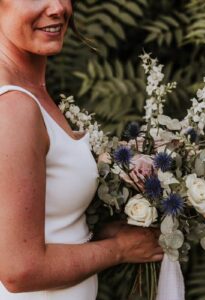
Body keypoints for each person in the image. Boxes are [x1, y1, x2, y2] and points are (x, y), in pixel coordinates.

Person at [0, 1, 163, 299]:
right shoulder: (13, 107)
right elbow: (19, 269)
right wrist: (119, 250)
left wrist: (104, 234)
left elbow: (48, 226)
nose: (58, 8)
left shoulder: (32, 93)